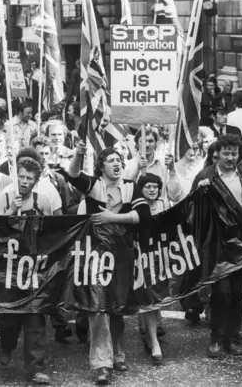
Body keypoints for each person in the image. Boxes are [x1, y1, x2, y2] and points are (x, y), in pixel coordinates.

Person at [67, 143, 151, 384]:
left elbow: (143, 217)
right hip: (96, 256)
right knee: (99, 307)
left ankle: (118, 354)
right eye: (111, 160)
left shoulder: (130, 188)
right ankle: (101, 364)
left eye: (119, 160)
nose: (116, 164)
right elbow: (73, 175)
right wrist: (79, 154)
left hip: (122, 255)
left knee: (117, 306)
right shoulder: (95, 188)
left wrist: (111, 217)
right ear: (101, 167)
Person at [192, 134, 242, 358]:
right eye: (226, 153)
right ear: (217, 154)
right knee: (222, 292)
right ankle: (216, 339)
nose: (230, 157)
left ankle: (231, 337)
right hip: (216, 243)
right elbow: (192, 210)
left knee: (238, 293)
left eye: (234, 153)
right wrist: (199, 193)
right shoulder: (205, 175)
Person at [0, 157, 52, 385]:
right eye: (22, 177)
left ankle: (36, 367)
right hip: (10, 268)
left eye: (30, 178)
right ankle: (6, 344)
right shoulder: (4, 198)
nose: (25, 182)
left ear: (36, 181)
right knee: (10, 319)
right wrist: (11, 210)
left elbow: (53, 233)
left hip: (35, 268)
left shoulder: (43, 201)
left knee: (35, 317)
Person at [136, 173, 168, 366]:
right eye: (147, 186)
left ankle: (150, 335)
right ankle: (155, 342)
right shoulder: (137, 207)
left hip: (162, 256)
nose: (152, 189)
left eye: (155, 186)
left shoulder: (164, 205)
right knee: (148, 298)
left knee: (157, 298)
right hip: (142, 256)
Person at [123, 127, 183, 205]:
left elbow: (174, 196)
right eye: (143, 141)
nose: (147, 144)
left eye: (150, 141)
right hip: (139, 213)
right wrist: (137, 169)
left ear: (155, 143)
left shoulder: (164, 163)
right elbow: (126, 195)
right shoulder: (129, 165)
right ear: (137, 144)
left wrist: (172, 170)